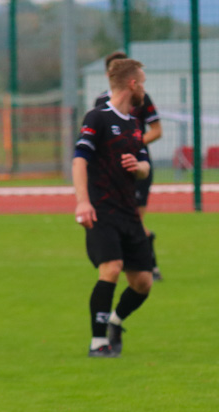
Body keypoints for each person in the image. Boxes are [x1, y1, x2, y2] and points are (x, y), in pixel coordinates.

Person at [74, 58, 153, 358]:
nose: (144, 88)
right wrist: (82, 201)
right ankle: (98, 343)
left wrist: (139, 166)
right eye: (142, 82)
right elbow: (79, 159)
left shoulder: (134, 124)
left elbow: (144, 164)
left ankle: (116, 322)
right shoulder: (97, 117)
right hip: (102, 209)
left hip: (129, 212)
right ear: (132, 84)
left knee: (143, 282)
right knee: (111, 268)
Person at [95, 50, 164, 281]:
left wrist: (131, 144)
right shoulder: (100, 103)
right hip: (110, 174)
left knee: (136, 220)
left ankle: (148, 267)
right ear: (108, 74)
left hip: (137, 167)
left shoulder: (141, 97)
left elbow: (156, 130)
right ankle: (132, 264)